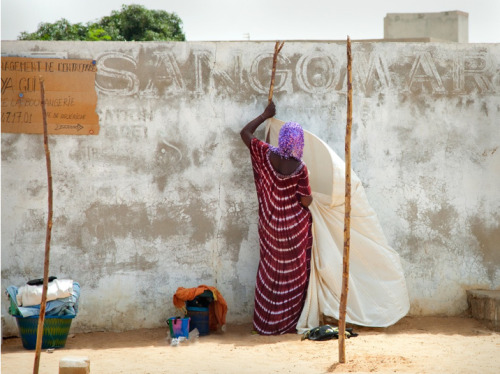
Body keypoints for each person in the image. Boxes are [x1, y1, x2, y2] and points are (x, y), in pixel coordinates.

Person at [240, 101, 313, 335]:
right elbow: (305, 201)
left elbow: (245, 133)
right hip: (293, 230)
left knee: (269, 271)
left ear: (281, 138)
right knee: (294, 276)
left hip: (270, 227)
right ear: (299, 142)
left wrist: (265, 115)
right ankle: (287, 324)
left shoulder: (265, 153)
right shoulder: (300, 168)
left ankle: (265, 324)